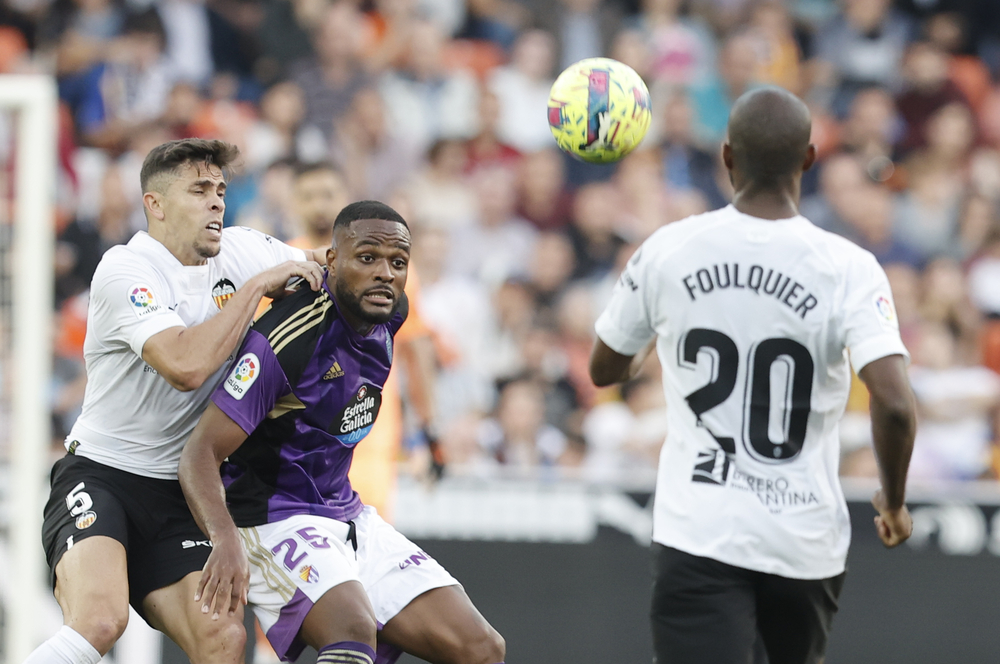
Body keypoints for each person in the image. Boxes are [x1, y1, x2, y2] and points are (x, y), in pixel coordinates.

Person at [588, 87, 917, 664]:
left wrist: (655, 342)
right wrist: (892, 500)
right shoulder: (850, 268)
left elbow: (605, 367)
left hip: (700, 527)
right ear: (809, 159)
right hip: (804, 537)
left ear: (727, 158)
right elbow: (893, 402)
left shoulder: (670, 248)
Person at [29, 138, 327, 664]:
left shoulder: (242, 248)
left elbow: (333, 265)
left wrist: (372, 262)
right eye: (199, 190)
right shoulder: (125, 270)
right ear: (156, 204)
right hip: (102, 475)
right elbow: (186, 367)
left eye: (220, 189)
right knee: (101, 622)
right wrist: (256, 288)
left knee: (224, 638)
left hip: (180, 493)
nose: (216, 201)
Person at [178, 200, 505, 664]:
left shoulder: (392, 313)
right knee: (352, 633)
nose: (385, 274)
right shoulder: (287, 341)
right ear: (331, 262)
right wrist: (225, 539)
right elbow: (199, 454)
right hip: (270, 516)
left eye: (397, 263)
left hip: (346, 512)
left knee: (482, 648)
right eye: (367, 258)